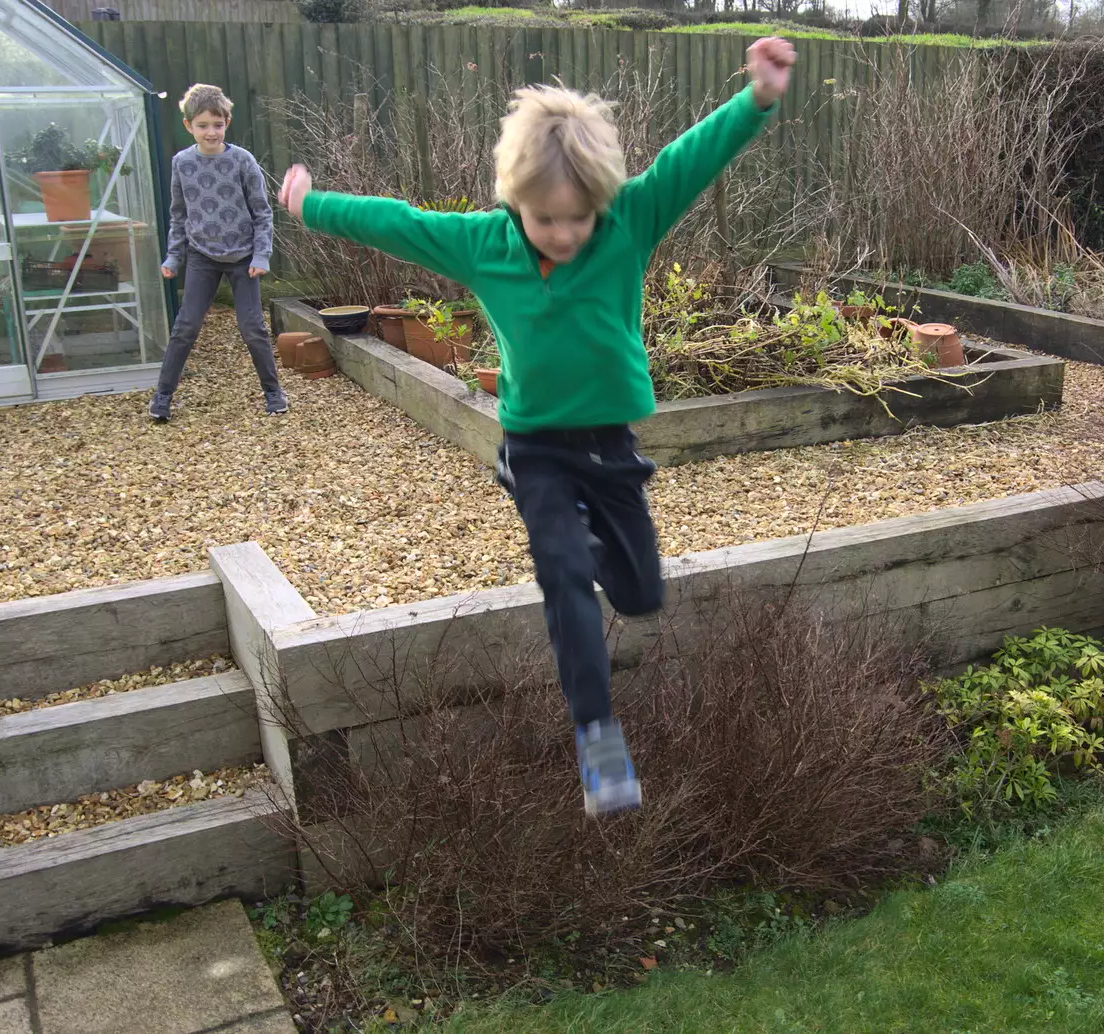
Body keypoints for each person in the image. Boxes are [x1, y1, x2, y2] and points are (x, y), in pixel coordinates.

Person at [278, 37, 797, 816]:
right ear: (515, 199)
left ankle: (587, 544)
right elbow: (396, 223)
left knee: (642, 593)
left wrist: (755, 97)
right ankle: (598, 738)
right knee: (561, 575)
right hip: (538, 449)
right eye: (547, 218)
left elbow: (695, 157)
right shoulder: (484, 243)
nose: (564, 233)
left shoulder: (627, 222)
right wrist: (309, 204)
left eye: (578, 219)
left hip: (611, 448)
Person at [149, 83, 285, 422]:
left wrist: (260, 255)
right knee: (186, 327)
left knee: (252, 326)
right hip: (201, 257)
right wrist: (173, 257)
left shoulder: (242, 161)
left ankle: (273, 391)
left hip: (242, 258)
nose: (211, 132)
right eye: (203, 125)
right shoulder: (182, 163)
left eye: (218, 124)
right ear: (188, 126)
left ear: (227, 123)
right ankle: (162, 396)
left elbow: (262, 212)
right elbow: (178, 215)